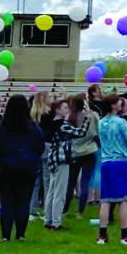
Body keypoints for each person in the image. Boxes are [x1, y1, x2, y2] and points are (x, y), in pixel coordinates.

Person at [0, 94, 46, 242]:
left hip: (6, 169)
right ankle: (20, 234)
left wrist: (0, 162)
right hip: (27, 168)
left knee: (7, 202)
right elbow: (40, 147)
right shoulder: (33, 126)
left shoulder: (2, 127)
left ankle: (5, 235)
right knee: (23, 202)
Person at [96, 92, 127, 245]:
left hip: (105, 162)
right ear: (113, 105)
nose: (121, 104)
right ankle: (125, 235)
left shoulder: (101, 122)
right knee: (123, 200)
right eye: (119, 102)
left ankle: (102, 235)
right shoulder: (121, 122)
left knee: (105, 200)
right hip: (120, 162)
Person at [42, 98, 89, 230]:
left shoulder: (52, 123)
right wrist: (87, 118)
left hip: (53, 158)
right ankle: (56, 222)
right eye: (65, 108)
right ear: (57, 110)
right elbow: (80, 132)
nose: (68, 110)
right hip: (62, 158)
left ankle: (48, 219)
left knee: (52, 190)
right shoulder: (63, 125)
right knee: (60, 192)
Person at [69, 95, 100, 219]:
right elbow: (97, 132)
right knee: (85, 182)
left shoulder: (71, 117)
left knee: (71, 181)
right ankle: (80, 211)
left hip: (75, 150)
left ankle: (64, 208)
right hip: (89, 149)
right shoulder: (92, 116)